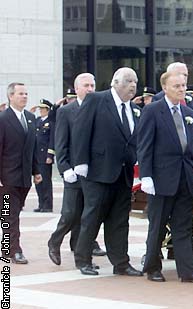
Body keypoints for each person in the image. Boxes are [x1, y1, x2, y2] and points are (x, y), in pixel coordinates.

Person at [137, 71, 193, 284]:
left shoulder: (189, 112)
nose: (182, 89)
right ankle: (152, 267)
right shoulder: (153, 111)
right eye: (177, 86)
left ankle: (187, 270)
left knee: (183, 226)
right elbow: (144, 146)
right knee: (158, 226)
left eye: (183, 85)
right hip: (161, 179)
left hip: (184, 179)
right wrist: (146, 176)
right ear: (165, 88)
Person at [72, 67, 142, 276]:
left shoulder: (133, 108)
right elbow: (81, 130)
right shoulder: (96, 100)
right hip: (98, 171)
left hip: (124, 172)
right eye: (128, 81)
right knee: (93, 216)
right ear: (114, 82)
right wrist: (81, 161)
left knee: (120, 219)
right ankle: (83, 259)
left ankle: (121, 262)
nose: (133, 85)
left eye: (135, 82)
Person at [48, 73, 106, 266]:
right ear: (77, 88)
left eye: (92, 85)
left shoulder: (100, 109)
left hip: (93, 173)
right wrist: (65, 169)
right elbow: (61, 143)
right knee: (70, 214)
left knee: (87, 216)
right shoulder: (66, 111)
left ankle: (80, 251)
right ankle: (54, 242)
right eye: (86, 85)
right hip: (73, 172)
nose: (90, 89)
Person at [0, 82, 42, 264]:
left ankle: (6, 245)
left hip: (24, 177)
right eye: (20, 94)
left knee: (13, 213)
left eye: (26, 93)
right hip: (7, 177)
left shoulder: (30, 118)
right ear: (11, 96)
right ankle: (14, 250)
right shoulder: (3, 119)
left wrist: (36, 171)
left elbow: (32, 148)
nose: (24, 96)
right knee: (11, 214)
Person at [33, 99, 55, 213]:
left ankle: (47, 205)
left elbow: (52, 140)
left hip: (44, 156)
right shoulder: (37, 121)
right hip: (36, 156)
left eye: (42, 109)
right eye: (40, 108)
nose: (40, 110)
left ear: (47, 110)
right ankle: (41, 203)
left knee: (46, 181)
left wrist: (50, 155)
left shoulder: (51, 123)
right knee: (38, 182)